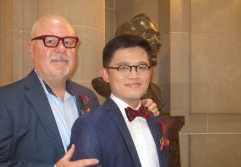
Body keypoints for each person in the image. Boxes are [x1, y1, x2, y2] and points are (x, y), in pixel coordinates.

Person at [0, 15, 160, 167]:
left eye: (69, 42)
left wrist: (135, 107)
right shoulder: (5, 100)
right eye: (51, 41)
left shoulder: (88, 97)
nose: (61, 49)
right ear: (32, 49)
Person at [70, 35, 168, 167]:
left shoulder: (156, 121)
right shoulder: (89, 126)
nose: (134, 75)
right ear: (105, 75)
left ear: (151, 72)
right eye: (123, 67)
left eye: (142, 67)